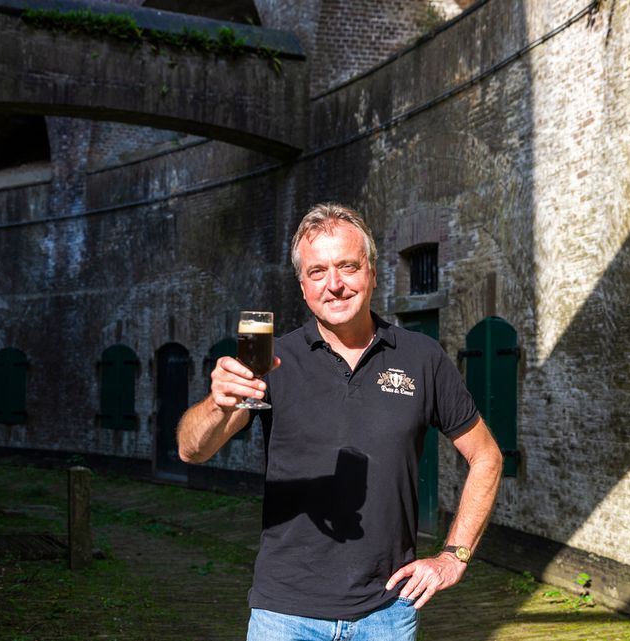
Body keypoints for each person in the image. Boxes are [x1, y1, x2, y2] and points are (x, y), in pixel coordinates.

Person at [177, 203, 503, 641]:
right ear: (303, 287)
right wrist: (218, 404)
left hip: (387, 614)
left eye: (347, 266)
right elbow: (192, 450)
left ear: (372, 272)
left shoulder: (421, 358)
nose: (334, 284)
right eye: (318, 272)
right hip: (284, 615)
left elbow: (486, 457)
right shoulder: (273, 361)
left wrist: (454, 556)